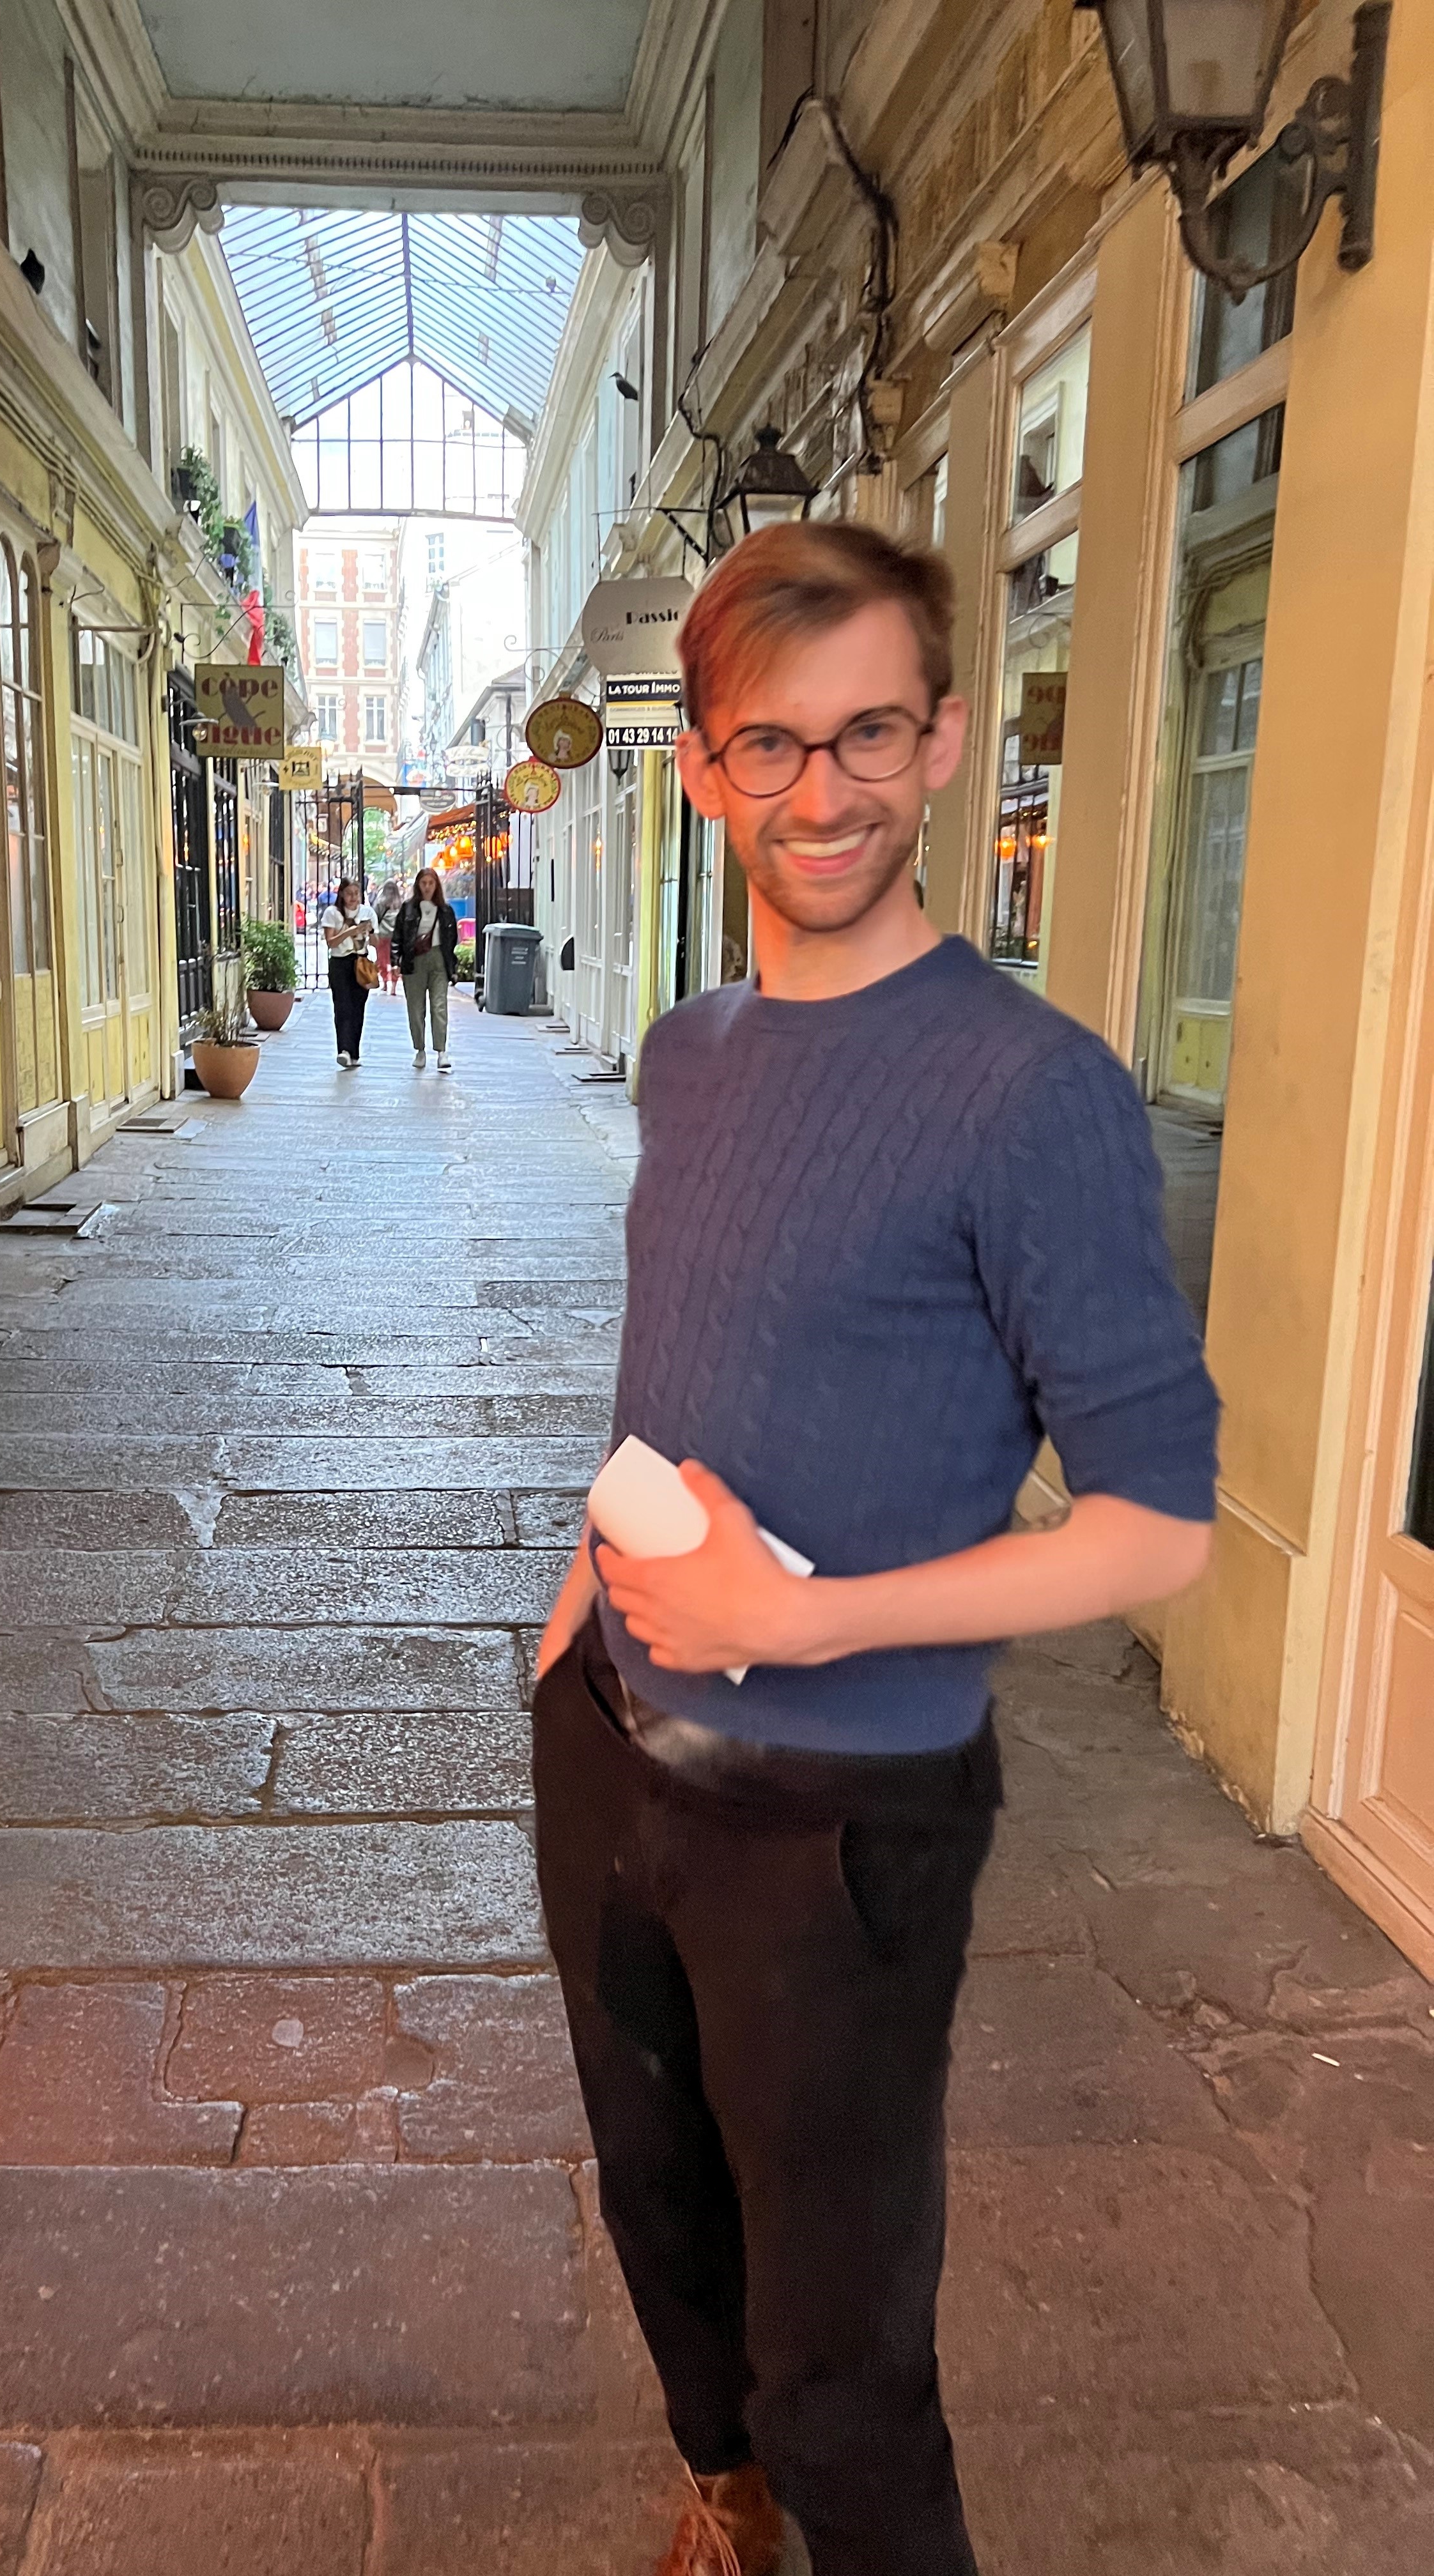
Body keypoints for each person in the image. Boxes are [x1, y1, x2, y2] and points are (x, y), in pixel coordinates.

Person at [532, 522, 1219, 2576]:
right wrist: (576, 1618)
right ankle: (723, 2497)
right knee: (657, 2200)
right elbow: (679, 1365)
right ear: (702, 769)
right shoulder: (693, 1057)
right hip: (610, 1749)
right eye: (773, 742)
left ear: (944, 744)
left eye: (869, 736)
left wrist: (806, 1617)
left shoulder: (1034, 1096)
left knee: (844, 2352)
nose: (821, 790)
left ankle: (813, 2499)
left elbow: (1157, 1529)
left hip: (839, 1830)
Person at [394, 864, 458, 1071]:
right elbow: (398, 935)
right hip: (414, 960)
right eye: (424, 883)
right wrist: (396, 961)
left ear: (437, 885)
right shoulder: (408, 908)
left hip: (439, 959)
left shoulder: (446, 910)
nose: (427, 887)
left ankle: (441, 1051)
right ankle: (420, 1050)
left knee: (439, 1006)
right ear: (418, 885)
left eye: (431, 883)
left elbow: (452, 939)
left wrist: (452, 965)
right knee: (415, 1008)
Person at [320, 877, 375, 1068]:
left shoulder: (368, 912)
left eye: (357, 894)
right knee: (343, 1006)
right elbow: (331, 942)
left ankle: (354, 1053)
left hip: (361, 961)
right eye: (350, 893)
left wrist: (369, 932)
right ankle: (343, 1049)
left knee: (358, 1008)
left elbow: (376, 940)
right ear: (342, 894)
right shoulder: (332, 913)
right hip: (340, 962)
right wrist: (350, 932)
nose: (353, 898)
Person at [374, 878, 402, 995]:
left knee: (382, 961)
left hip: (382, 935)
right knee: (395, 961)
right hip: (396, 937)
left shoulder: (380, 903)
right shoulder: (400, 904)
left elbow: (375, 918)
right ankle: (394, 987)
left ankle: (385, 983)